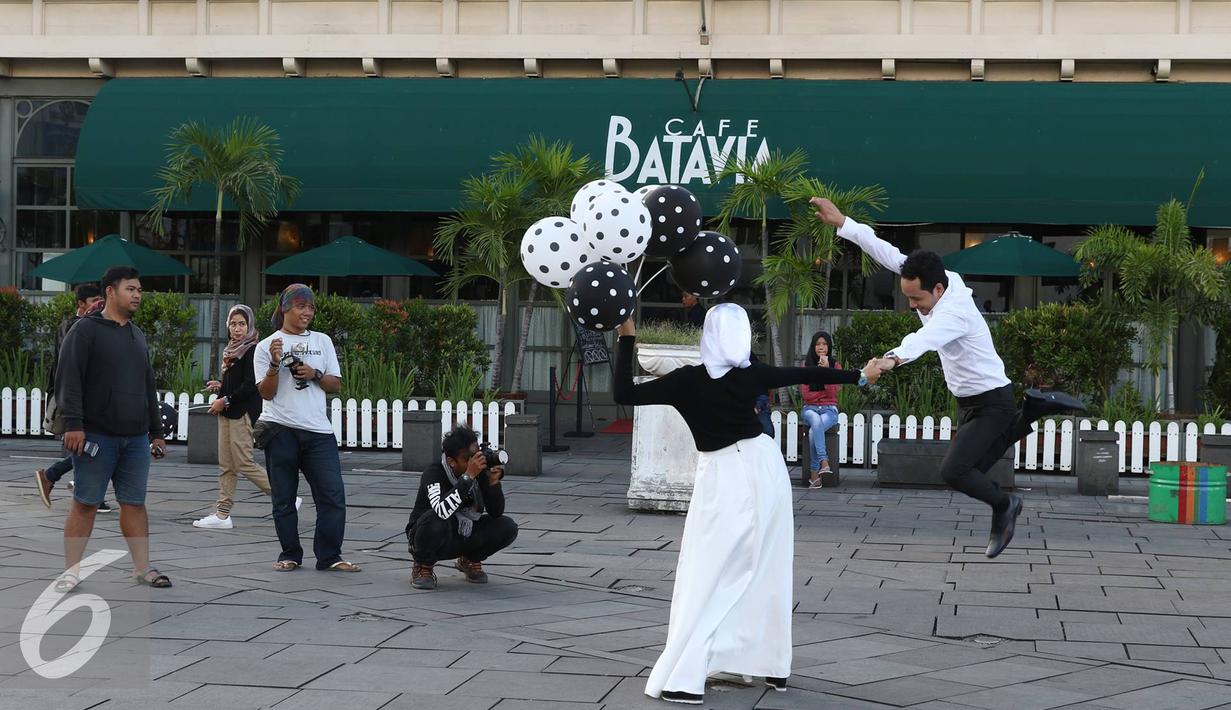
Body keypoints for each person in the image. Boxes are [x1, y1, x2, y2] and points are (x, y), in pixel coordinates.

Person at [614, 304, 882, 705]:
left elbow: (624, 394)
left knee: (720, 569)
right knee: (749, 566)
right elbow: (806, 373)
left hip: (730, 474)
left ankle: (715, 667)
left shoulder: (687, 380)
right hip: (754, 469)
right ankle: (763, 662)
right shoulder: (747, 375)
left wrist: (627, 336)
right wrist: (860, 376)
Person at [812, 197, 1084, 558]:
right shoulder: (938, 279)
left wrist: (887, 361)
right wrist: (843, 223)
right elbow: (886, 251)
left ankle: (1006, 506)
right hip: (970, 401)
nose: (912, 306)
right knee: (978, 469)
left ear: (937, 291)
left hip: (992, 401)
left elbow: (922, 340)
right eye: (907, 298)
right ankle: (1034, 408)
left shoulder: (953, 314)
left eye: (917, 300)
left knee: (956, 472)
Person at [53, 266, 171, 592]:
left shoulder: (137, 334)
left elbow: (148, 386)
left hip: (134, 439)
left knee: (134, 503)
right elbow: (69, 380)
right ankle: (71, 572)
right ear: (110, 292)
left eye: (139, 290)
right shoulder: (85, 331)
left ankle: (143, 568)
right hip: (95, 436)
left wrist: (156, 432)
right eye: (130, 289)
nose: (137, 295)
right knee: (86, 503)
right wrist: (74, 425)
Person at [254, 284, 360, 572]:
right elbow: (266, 393)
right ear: (285, 308)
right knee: (283, 498)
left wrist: (314, 374)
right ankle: (289, 554)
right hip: (280, 429)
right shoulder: (267, 346)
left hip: (318, 432)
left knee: (332, 496)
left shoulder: (323, 341)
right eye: (301, 306)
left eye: (311, 307)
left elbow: (335, 385)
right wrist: (275, 365)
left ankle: (329, 556)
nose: (307, 312)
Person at [194, 304, 300, 529]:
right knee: (226, 465)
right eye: (233, 324)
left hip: (242, 413)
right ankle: (222, 515)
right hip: (227, 412)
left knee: (243, 462)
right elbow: (236, 382)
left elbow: (251, 385)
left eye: (242, 324)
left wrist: (226, 400)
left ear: (249, 325)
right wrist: (220, 387)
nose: (237, 328)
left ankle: (286, 496)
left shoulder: (253, 349)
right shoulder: (232, 349)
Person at [406, 425, 518, 590]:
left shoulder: (479, 471)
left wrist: (493, 484)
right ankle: (423, 566)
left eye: (477, 455)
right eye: (468, 459)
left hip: (461, 533)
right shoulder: (434, 472)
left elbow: (496, 512)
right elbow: (442, 511)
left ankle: (469, 559)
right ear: (452, 461)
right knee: (435, 520)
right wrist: (468, 477)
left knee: (507, 527)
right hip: (428, 535)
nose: (475, 463)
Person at [36, 284, 114, 513]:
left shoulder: (98, 324)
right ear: (80, 304)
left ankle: (64, 480)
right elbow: (69, 366)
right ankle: (66, 481)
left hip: (94, 398)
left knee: (94, 446)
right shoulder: (71, 327)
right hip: (77, 399)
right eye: (94, 300)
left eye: (101, 299)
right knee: (98, 445)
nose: (99, 304)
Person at [801, 330, 843, 489]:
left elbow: (834, 392)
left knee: (813, 431)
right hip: (809, 409)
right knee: (815, 421)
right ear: (813, 346)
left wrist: (826, 372)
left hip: (829, 410)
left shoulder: (835, 366)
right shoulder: (806, 365)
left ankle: (814, 475)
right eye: (818, 344)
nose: (821, 347)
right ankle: (824, 462)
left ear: (829, 347)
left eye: (824, 344)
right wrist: (820, 395)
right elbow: (806, 395)